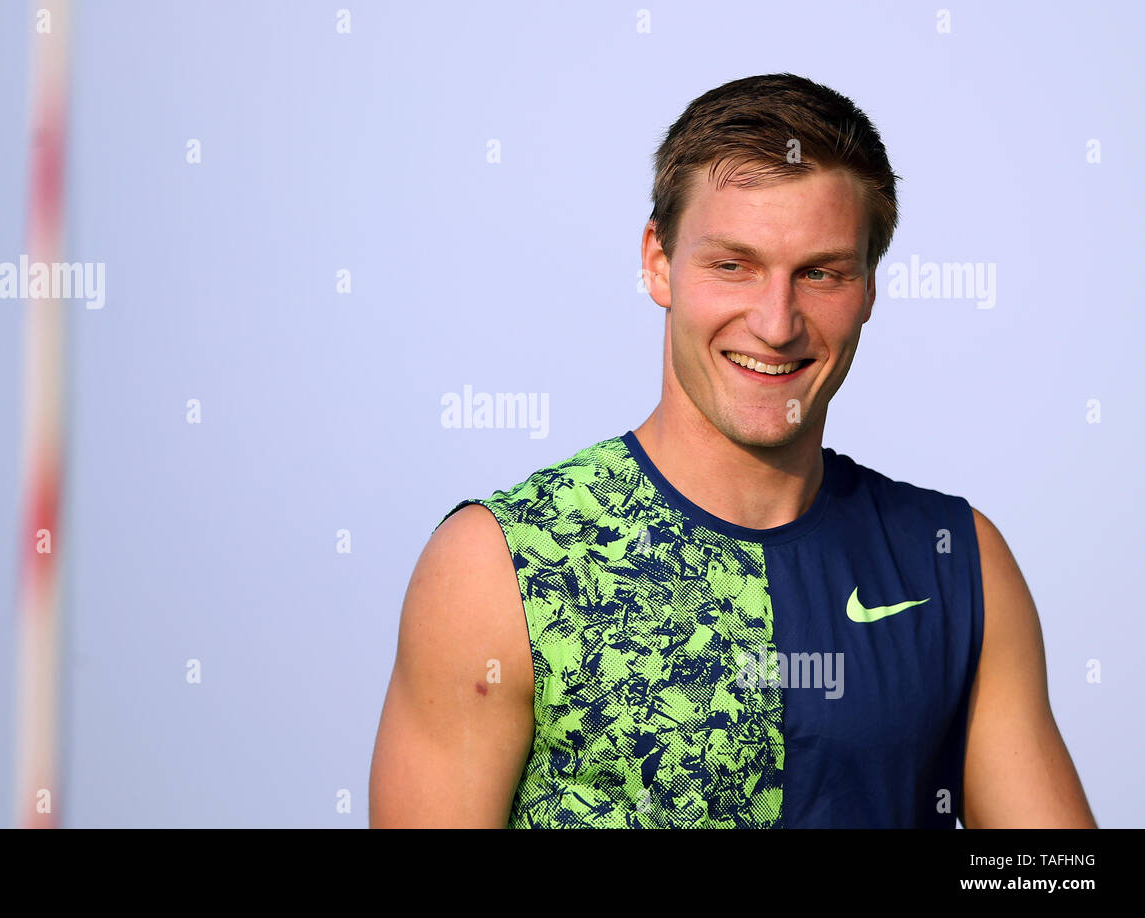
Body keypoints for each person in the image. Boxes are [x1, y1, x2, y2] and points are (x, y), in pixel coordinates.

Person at [368, 73, 1097, 828]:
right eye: (733, 265)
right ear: (658, 262)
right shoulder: (497, 564)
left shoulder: (956, 561)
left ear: (870, 288)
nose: (776, 322)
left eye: (820, 273)